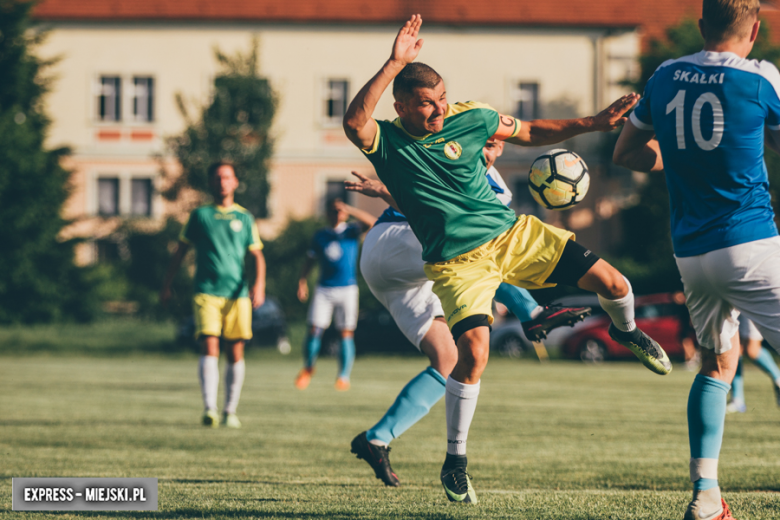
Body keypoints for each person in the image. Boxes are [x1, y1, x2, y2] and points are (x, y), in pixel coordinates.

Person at [343, 14, 671, 504]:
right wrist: (394, 62)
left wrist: (595, 123)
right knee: (473, 353)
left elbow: (534, 130)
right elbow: (353, 121)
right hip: (458, 264)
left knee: (616, 284)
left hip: (513, 235)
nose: (438, 109)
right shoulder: (387, 142)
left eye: (441, 98)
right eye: (425, 103)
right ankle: (455, 462)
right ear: (401, 106)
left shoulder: (471, 117)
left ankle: (625, 331)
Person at [613, 1, 780, 518]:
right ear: (755, 29)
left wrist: (680, 158)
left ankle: (706, 497)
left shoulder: (664, 77)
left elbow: (627, 153)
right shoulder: (761, 77)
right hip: (750, 243)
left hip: (692, 253)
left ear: (702, 26)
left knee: (715, 365)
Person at [346, 140, 591, 488]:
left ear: (501, 150)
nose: (487, 149)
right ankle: (532, 311)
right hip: (394, 244)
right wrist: (385, 190)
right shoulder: (450, 164)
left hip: (410, 275)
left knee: (448, 361)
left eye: (494, 144)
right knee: (481, 242)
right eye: (483, 142)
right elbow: (425, 210)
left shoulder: (498, 189)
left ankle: (376, 439)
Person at [160, 161, 266, 429]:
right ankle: (210, 408)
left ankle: (230, 411)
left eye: (227, 177)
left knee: (235, 351)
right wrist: (167, 283)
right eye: (217, 177)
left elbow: (257, 255)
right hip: (206, 291)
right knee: (209, 345)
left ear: (235, 182)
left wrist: (259, 284)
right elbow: (180, 251)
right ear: (211, 183)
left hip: (237, 294)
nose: (222, 182)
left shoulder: (245, 217)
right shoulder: (200, 216)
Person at [294, 198, 376, 391]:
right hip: (324, 289)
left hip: (347, 289)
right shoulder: (320, 235)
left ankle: (343, 376)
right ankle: (308, 368)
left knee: (346, 332)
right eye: (333, 211)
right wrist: (302, 281)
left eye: (340, 211)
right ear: (327, 214)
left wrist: (349, 209)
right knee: (314, 329)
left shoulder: (351, 231)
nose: (336, 214)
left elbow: (372, 222)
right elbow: (310, 260)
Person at [726, 316, 780, 413]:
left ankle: (778, 377)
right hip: (733, 303)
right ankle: (737, 399)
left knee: (752, 349)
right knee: (734, 346)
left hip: (754, 302)